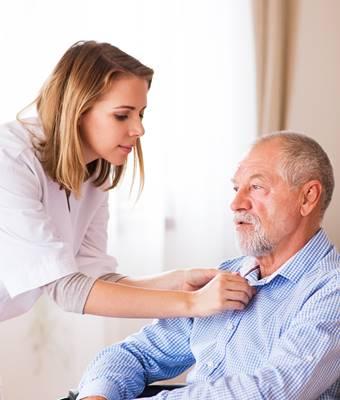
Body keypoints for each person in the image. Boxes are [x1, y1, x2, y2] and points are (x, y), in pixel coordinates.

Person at [0, 40, 255, 321]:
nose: (139, 129)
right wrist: (192, 303)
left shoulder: (94, 174)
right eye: (122, 115)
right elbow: (67, 289)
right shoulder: (10, 159)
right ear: (77, 110)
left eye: (140, 114)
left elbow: (94, 277)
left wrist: (179, 281)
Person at [77, 132, 340, 400]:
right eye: (237, 189)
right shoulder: (227, 277)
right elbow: (135, 354)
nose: (236, 204)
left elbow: (271, 391)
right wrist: (97, 396)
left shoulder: (332, 290)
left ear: (307, 197)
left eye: (257, 187)